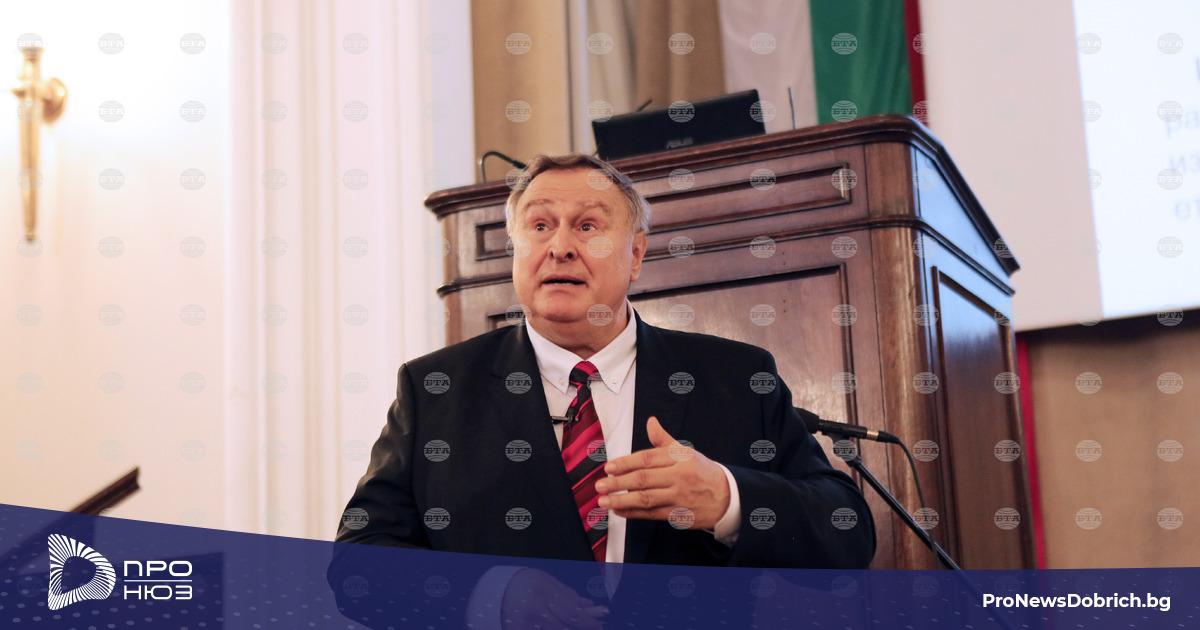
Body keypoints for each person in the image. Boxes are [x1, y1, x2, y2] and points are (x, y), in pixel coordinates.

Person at [329, 153, 875, 625]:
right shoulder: (436, 390)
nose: (560, 247)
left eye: (588, 225)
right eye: (539, 226)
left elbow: (847, 534)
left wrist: (728, 500)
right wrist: (490, 596)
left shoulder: (735, 377)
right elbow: (359, 564)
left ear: (635, 254)